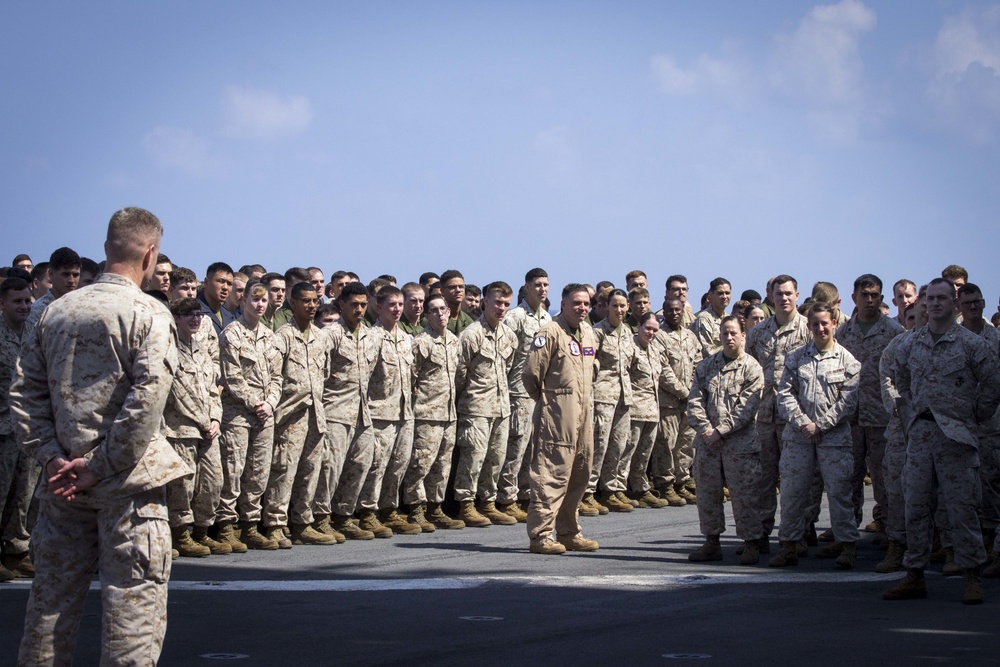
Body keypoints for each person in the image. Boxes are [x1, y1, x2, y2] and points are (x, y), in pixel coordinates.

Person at [10, 207, 190, 665]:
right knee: (131, 615)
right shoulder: (149, 313)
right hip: (127, 487)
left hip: (61, 486)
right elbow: (146, 402)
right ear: (150, 253)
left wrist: (52, 457)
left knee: (49, 609)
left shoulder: (55, 312)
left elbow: (25, 393)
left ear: (107, 247)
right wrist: (97, 467)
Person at [883, 278, 1000, 605]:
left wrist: (972, 415)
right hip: (920, 436)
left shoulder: (972, 344)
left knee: (963, 508)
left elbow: (992, 386)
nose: (935, 304)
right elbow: (899, 378)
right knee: (916, 507)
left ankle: (972, 575)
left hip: (958, 438)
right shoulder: (910, 343)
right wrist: (911, 410)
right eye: (930, 298)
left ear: (955, 304)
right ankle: (914, 574)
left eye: (942, 299)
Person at [770, 304, 861, 569]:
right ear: (808, 326)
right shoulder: (796, 358)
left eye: (825, 323)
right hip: (798, 437)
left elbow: (847, 403)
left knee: (839, 493)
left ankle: (847, 546)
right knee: (792, 493)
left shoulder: (848, 361)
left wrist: (820, 425)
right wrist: (802, 423)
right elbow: (784, 394)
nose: (820, 328)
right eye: (815, 324)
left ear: (834, 323)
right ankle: (789, 545)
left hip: (834, 439)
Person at [524, 283, 600, 555]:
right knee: (551, 475)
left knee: (580, 473)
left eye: (586, 304)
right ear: (564, 304)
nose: (582, 308)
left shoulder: (589, 333)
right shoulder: (549, 332)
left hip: (583, 416)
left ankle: (568, 531)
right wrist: (550, 403)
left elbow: (593, 369)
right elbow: (531, 375)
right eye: (576, 303)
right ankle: (541, 535)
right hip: (556, 416)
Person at [259, 282, 335, 547]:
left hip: (316, 414)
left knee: (310, 470)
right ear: (292, 302)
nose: (311, 305)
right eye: (305, 301)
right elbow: (273, 376)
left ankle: (303, 523)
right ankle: (276, 525)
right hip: (290, 415)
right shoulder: (282, 336)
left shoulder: (321, 337)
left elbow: (324, 375)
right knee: (284, 470)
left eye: (315, 301)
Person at [687, 315, 765, 564]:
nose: (729, 338)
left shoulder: (752, 368)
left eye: (734, 333)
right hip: (708, 445)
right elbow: (694, 402)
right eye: (725, 333)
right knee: (707, 496)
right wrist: (707, 430)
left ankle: (751, 542)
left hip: (739, 445)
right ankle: (712, 542)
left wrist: (721, 431)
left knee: (745, 497)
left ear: (744, 335)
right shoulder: (706, 366)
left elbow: (747, 407)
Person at [216, 281, 282, 551]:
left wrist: (270, 403)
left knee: (258, 473)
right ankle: (225, 528)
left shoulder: (270, 336)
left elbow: (278, 377)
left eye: (264, 300)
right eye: (254, 300)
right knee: (232, 471)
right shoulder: (232, 334)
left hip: (265, 415)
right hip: (238, 415)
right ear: (243, 301)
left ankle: (250, 526)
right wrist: (256, 403)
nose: (259, 304)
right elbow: (232, 377)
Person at [745, 274, 811, 547]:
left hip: (795, 416)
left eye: (788, 293)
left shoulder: (809, 329)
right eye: (778, 294)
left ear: (797, 295)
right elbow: (747, 369)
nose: (783, 298)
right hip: (764, 415)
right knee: (763, 476)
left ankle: (800, 531)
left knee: (797, 477)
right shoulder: (758, 332)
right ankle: (761, 532)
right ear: (770, 297)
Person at [837, 275, 904, 535]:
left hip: (882, 418)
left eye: (875, 295)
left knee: (885, 477)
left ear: (881, 298)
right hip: (850, 418)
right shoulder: (843, 332)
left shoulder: (895, 333)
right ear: (854, 298)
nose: (869, 299)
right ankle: (846, 532)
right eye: (864, 295)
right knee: (849, 477)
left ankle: (890, 530)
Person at [163, 298, 227, 557]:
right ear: (175, 318)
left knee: (213, 482)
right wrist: (203, 421)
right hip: (181, 430)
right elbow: (178, 393)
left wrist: (215, 419)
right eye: (187, 314)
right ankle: (180, 534)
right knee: (183, 485)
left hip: (208, 429)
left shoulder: (201, 350)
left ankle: (202, 531)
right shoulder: (168, 350)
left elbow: (213, 390)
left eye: (198, 314)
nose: (195, 319)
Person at [356, 286, 420, 536]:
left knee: (398, 465)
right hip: (380, 412)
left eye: (400, 305)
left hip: (404, 413)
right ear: (379, 307)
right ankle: (368, 511)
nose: (397, 309)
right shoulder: (372, 338)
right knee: (377, 465)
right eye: (392, 305)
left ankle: (389, 509)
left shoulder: (406, 339)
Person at [454, 281, 517, 527]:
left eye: (506, 304)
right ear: (485, 302)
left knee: (496, 458)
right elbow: (459, 373)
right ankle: (465, 504)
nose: (501, 308)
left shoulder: (508, 335)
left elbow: (509, 369)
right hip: (475, 407)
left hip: (501, 406)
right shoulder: (471, 335)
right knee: (473, 458)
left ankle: (487, 503)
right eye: (497, 303)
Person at [401, 293, 465, 531]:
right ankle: (416, 509)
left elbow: (459, 376)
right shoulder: (421, 343)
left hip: (449, 414)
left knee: (442, 464)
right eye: (434, 310)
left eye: (443, 309)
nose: (440, 314)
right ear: (427, 315)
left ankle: (435, 508)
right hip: (426, 413)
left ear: (449, 312)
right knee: (420, 463)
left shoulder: (455, 342)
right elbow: (410, 378)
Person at [497, 268, 553, 521]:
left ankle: (524, 494)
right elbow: (504, 356)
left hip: (539, 393)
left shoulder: (547, 320)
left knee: (534, 449)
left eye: (546, 285)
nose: (542, 289)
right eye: (538, 284)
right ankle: (506, 497)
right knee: (516, 447)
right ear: (527, 287)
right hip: (517, 392)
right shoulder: (516, 317)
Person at [326, 282, 378, 541]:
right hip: (335, 410)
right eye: (354, 305)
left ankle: (344, 516)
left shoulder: (371, 336)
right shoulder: (331, 335)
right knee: (330, 468)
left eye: (363, 305)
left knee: (360, 465)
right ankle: (320, 518)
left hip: (362, 412)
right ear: (341, 304)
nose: (359, 310)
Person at [587, 289, 637, 514]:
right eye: (615, 305)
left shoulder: (627, 332)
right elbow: (589, 362)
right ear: (606, 307)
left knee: (619, 444)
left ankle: (611, 489)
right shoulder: (597, 332)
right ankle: (587, 492)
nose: (619, 310)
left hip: (624, 397)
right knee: (598, 445)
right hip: (602, 397)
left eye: (623, 306)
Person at [651, 296, 702, 506]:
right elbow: (663, 370)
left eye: (677, 310)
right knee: (666, 444)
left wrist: (691, 389)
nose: (674, 313)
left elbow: (698, 363)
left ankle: (681, 482)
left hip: (688, 401)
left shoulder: (690, 336)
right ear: (664, 311)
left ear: (683, 312)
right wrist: (683, 391)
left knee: (685, 444)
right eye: (670, 310)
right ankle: (665, 485)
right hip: (668, 401)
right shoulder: (659, 336)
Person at [0, 277, 35, 580]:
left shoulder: (32, 332)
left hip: (24, 428)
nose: (24, 306)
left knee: (21, 495)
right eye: (17, 301)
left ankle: (15, 552)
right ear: (2, 304)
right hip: (1, 430)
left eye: (27, 301)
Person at [624, 313, 668, 508]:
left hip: (652, 410)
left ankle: (640, 488)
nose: (651, 333)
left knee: (644, 454)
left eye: (655, 330)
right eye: (648, 328)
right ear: (639, 326)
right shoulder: (629, 347)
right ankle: (620, 489)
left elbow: (664, 376)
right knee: (627, 452)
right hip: (633, 410)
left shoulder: (655, 350)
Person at [25, 246, 80, 334]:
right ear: (51, 274)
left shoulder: (83, 306)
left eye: (76, 275)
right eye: (65, 274)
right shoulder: (39, 312)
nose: (71, 280)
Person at [691, 278, 731, 358]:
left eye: (727, 293)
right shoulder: (704, 319)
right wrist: (731, 348)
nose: (724, 297)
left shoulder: (728, 318)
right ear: (711, 295)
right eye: (720, 293)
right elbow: (707, 352)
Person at [199, 262, 236, 336]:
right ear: (206, 282)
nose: (225, 287)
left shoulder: (229, 316)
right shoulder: (195, 311)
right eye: (221, 281)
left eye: (229, 284)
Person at [440, 269, 474, 335]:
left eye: (461, 287)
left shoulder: (469, 322)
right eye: (452, 287)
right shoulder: (433, 319)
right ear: (442, 291)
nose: (458, 290)